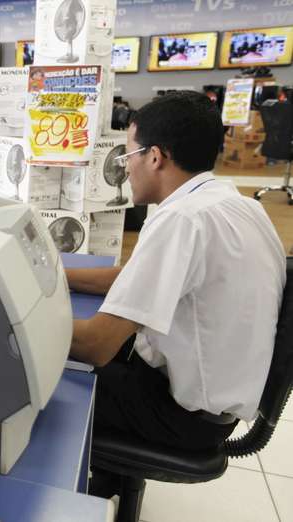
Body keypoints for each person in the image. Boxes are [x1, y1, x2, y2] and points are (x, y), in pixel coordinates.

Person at [66, 92, 285, 464]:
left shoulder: (181, 219)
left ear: (155, 156)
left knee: (35, 375)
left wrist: (8, 316)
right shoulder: (239, 204)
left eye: (127, 156)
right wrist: (59, 274)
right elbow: (135, 277)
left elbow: (96, 345)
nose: (125, 169)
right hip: (213, 405)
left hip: (180, 417)